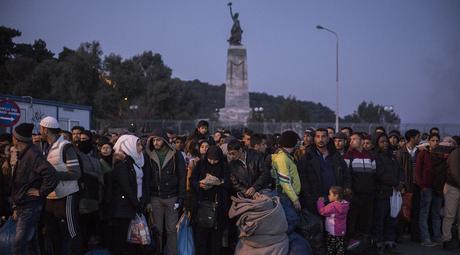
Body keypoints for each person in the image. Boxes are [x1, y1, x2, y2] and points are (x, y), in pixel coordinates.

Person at [10, 123, 58, 255]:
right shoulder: (24, 154)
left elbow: (52, 175)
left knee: (19, 245)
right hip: (23, 204)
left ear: (17, 139)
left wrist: (41, 191)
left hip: (30, 205)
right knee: (31, 244)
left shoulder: (33, 155)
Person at [40, 116, 83, 254]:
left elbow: (76, 173)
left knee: (71, 232)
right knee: (53, 233)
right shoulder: (45, 147)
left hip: (67, 195)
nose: (39, 131)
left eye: (41, 128)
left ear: (45, 130)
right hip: (51, 196)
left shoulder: (65, 146)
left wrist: (52, 175)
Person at [146, 128, 186, 255]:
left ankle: (171, 253)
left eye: (158, 140)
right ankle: (157, 252)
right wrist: (147, 200)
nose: (155, 143)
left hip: (172, 197)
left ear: (164, 140)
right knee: (157, 230)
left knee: (171, 230)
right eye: (153, 140)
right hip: (155, 197)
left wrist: (181, 198)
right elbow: (146, 178)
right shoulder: (149, 154)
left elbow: (182, 177)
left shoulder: (176, 154)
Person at [110, 134, 151, 255]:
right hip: (125, 208)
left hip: (135, 205)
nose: (141, 147)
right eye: (137, 144)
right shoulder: (122, 164)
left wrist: (142, 201)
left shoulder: (136, 161)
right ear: (128, 146)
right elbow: (126, 187)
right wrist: (137, 203)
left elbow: (142, 182)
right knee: (124, 240)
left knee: (134, 240)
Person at [297, 128, 351, 214]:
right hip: (315, 200)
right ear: (314, 139)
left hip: (334, 200)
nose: (320, 139)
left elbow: (345, 174)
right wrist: (309, 197)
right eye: (318, 137)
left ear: (328, 138)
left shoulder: (336, 156)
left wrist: (345, 189)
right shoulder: (307, 157)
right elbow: (303, 178)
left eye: (323, 136)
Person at [191, 145, 230, 255]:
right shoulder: (201, 165)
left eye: (215, 160)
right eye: (210, 159)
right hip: (202, 206)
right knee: (201, 239)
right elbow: (192, 180)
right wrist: (200, 184)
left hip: (218, 207)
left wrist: (218, 182)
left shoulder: (224, 167)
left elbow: (229, 184)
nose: (212, 162)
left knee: (216, 240)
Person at [343, 132, 376, 248]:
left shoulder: (370, 155)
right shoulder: (348, 155)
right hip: (354, 195)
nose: (351, 141)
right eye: (350, 139)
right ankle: (350, 246)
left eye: (354, 139)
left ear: (362, 141)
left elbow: (373, 173)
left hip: (368, 194)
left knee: (365, 222)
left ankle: (363, 246)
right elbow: (346, 174)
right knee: (352, 221)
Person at [372, 133, 403, 254]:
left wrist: (401, 182)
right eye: (382, 142)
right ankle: (379, 244)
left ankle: (390, 243)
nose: (385, 144)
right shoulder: (375, 156)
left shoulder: (392, 156)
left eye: (386, 142)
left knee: (392, 219)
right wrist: (396, 182)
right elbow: (380, 174)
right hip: (381, 193)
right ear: (377, 143)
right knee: (380, 219)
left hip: (393, 193)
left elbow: (400, 169)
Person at [415, 133, 442, 246]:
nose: (435, 142)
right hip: (427, 187)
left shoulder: (441, 155)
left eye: (437, 140)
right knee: (424, 213)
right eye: (433, 140)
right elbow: (417, 171)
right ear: (429, 141)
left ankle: (437, 237)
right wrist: (422, 186)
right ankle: (425, 238)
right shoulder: (423, 154)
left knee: (436, 214)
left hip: (438, 188)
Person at [271, 130, 301, 233]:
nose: (298, 144)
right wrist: (295, 199)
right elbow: (284, 181)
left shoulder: (286, 157)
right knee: (292, 220)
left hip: (288, 196)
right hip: (286, 197)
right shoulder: (282, 158)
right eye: (297, 141)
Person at [396, 129, 421, 241]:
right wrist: (401, 186)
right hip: (405, 187)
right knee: (402, 211)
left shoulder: (420, 151)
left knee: (415, 211)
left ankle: (415, 236)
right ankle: (399, 235)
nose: (419, 139)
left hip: (417, 186)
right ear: (412, 138)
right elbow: (398, 170)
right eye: (418, 137)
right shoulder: (401, 152)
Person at [317, 186, 350, 255]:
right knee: (340, 247)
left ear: (336, 196)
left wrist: (320, 201)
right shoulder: (345, 204)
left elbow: (322, 211)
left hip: (332, 231)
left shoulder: (333, 206)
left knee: (330, 248)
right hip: (341, 231)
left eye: (330, 194)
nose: (328, 196)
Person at [442, 147, 460, 250]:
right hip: (453, 187)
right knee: (449, 215)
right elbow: (455, 172)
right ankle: (447, 239)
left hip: (454, 186)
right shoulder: (456, 153)